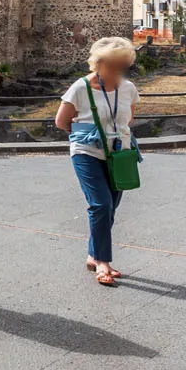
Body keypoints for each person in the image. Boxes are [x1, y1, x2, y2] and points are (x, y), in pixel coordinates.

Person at [53, 37, 141, 287]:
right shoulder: (80, 88)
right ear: (99, 64)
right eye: (114, 65)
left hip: (120, 155)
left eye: (123, 65)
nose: (119, 70)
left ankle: (93, 254)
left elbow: (127, 119)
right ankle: (103, 262)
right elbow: (61, 122)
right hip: (86, 153)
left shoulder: (128, 88)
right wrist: (89, 135)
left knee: (110, 207)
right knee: (100, 205)